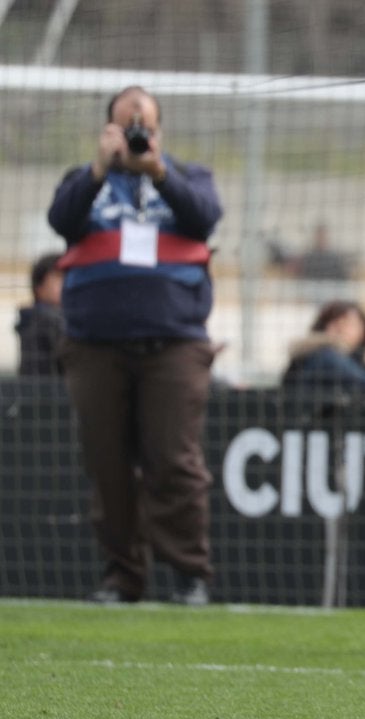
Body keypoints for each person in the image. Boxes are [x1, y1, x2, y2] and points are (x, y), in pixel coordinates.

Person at [47, 85, 222, 606]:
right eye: (126, 126)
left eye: (144, 126)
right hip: (94, 345)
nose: (136, 135)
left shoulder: (187, 176)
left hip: (175, 343)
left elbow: (205, 217)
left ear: (159, 130)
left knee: (174, 459)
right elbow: (61, 220)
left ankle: (189, 575)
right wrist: (99, 169)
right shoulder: (83, 179)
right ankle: (121, 578)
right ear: (108, 130)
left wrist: (158, 171)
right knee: (107, 464)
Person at [15, 252, 66, 376]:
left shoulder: (32, 317)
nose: (66, 284)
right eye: (59, 278)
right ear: (39, 287)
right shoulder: (45, 318)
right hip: (49, 386)